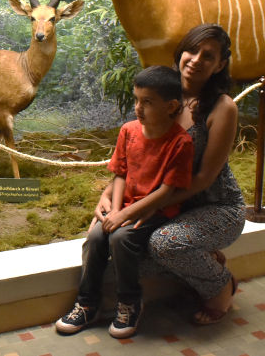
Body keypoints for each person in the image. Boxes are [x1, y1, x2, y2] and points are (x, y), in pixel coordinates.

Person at [92, 24, 245, 326]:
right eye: (192, 50)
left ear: (220, 65)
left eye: (208, 55)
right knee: (119, 245)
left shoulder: (221, 107)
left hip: (215, 206)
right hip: (170, 204)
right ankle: (204, 256)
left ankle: (221, 287)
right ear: (180, 53)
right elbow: (135, 158)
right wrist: (109, 195)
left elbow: (202, 179)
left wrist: (140, 208)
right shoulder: (164, 92)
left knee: (163, 243)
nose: (196, 59)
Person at [55, 65, 193, 339]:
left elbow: (166, 192)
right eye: (136, 99)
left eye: (148, 102)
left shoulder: (181, 143)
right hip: (125, 205)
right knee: (96, 235)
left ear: (171, 106)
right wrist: (115, 211)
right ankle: (87, 303)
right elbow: (120, 174)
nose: (138, 108)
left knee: (121, 238)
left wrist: (125, 215)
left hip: (154, 211)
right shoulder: (128, 131)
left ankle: (129, 302)